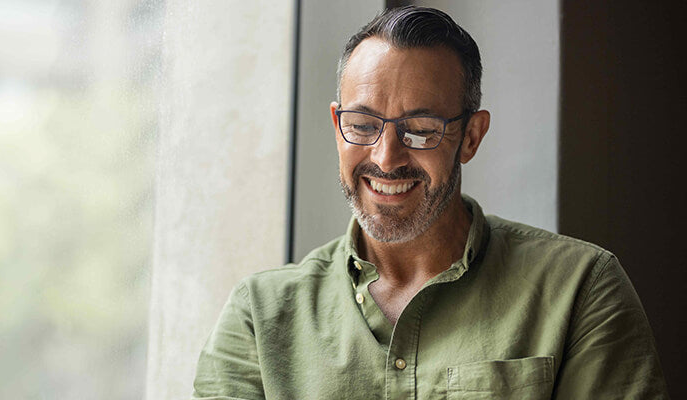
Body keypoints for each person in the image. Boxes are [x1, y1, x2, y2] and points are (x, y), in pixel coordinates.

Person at [192, 6, 668, 399]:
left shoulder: (581, 288)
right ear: (337, 125)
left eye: (420, 130)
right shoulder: (260, 315)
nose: (386, 157)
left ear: (471, 136)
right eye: (361, 125)